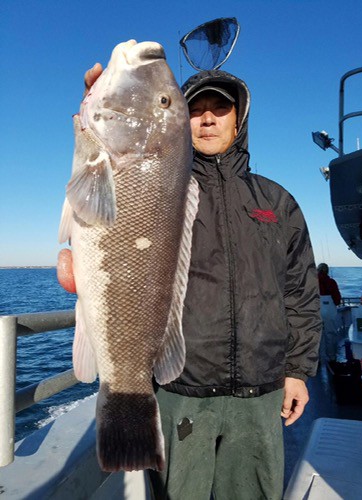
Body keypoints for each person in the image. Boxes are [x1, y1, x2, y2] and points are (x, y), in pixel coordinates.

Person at [60, 63, 321, 500]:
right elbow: (105, 195)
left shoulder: (277, 201)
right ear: (178, 121)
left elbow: (300, 291)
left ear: (239, 119)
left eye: (220, 108)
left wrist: (297, 371)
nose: (207, 118)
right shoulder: (162, 184)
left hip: (261, 392)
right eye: (195, 108)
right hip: (182, 388)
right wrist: (103, 118)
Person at [317, 263, 341, 362]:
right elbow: (337, 300)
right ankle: (332, 357)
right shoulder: (331, 282)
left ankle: (317, 359)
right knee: (330, 334)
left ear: (317, 270)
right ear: (327, 271)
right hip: (329, 311)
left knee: (317, 335)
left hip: (316, 311)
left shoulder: (312, 282)